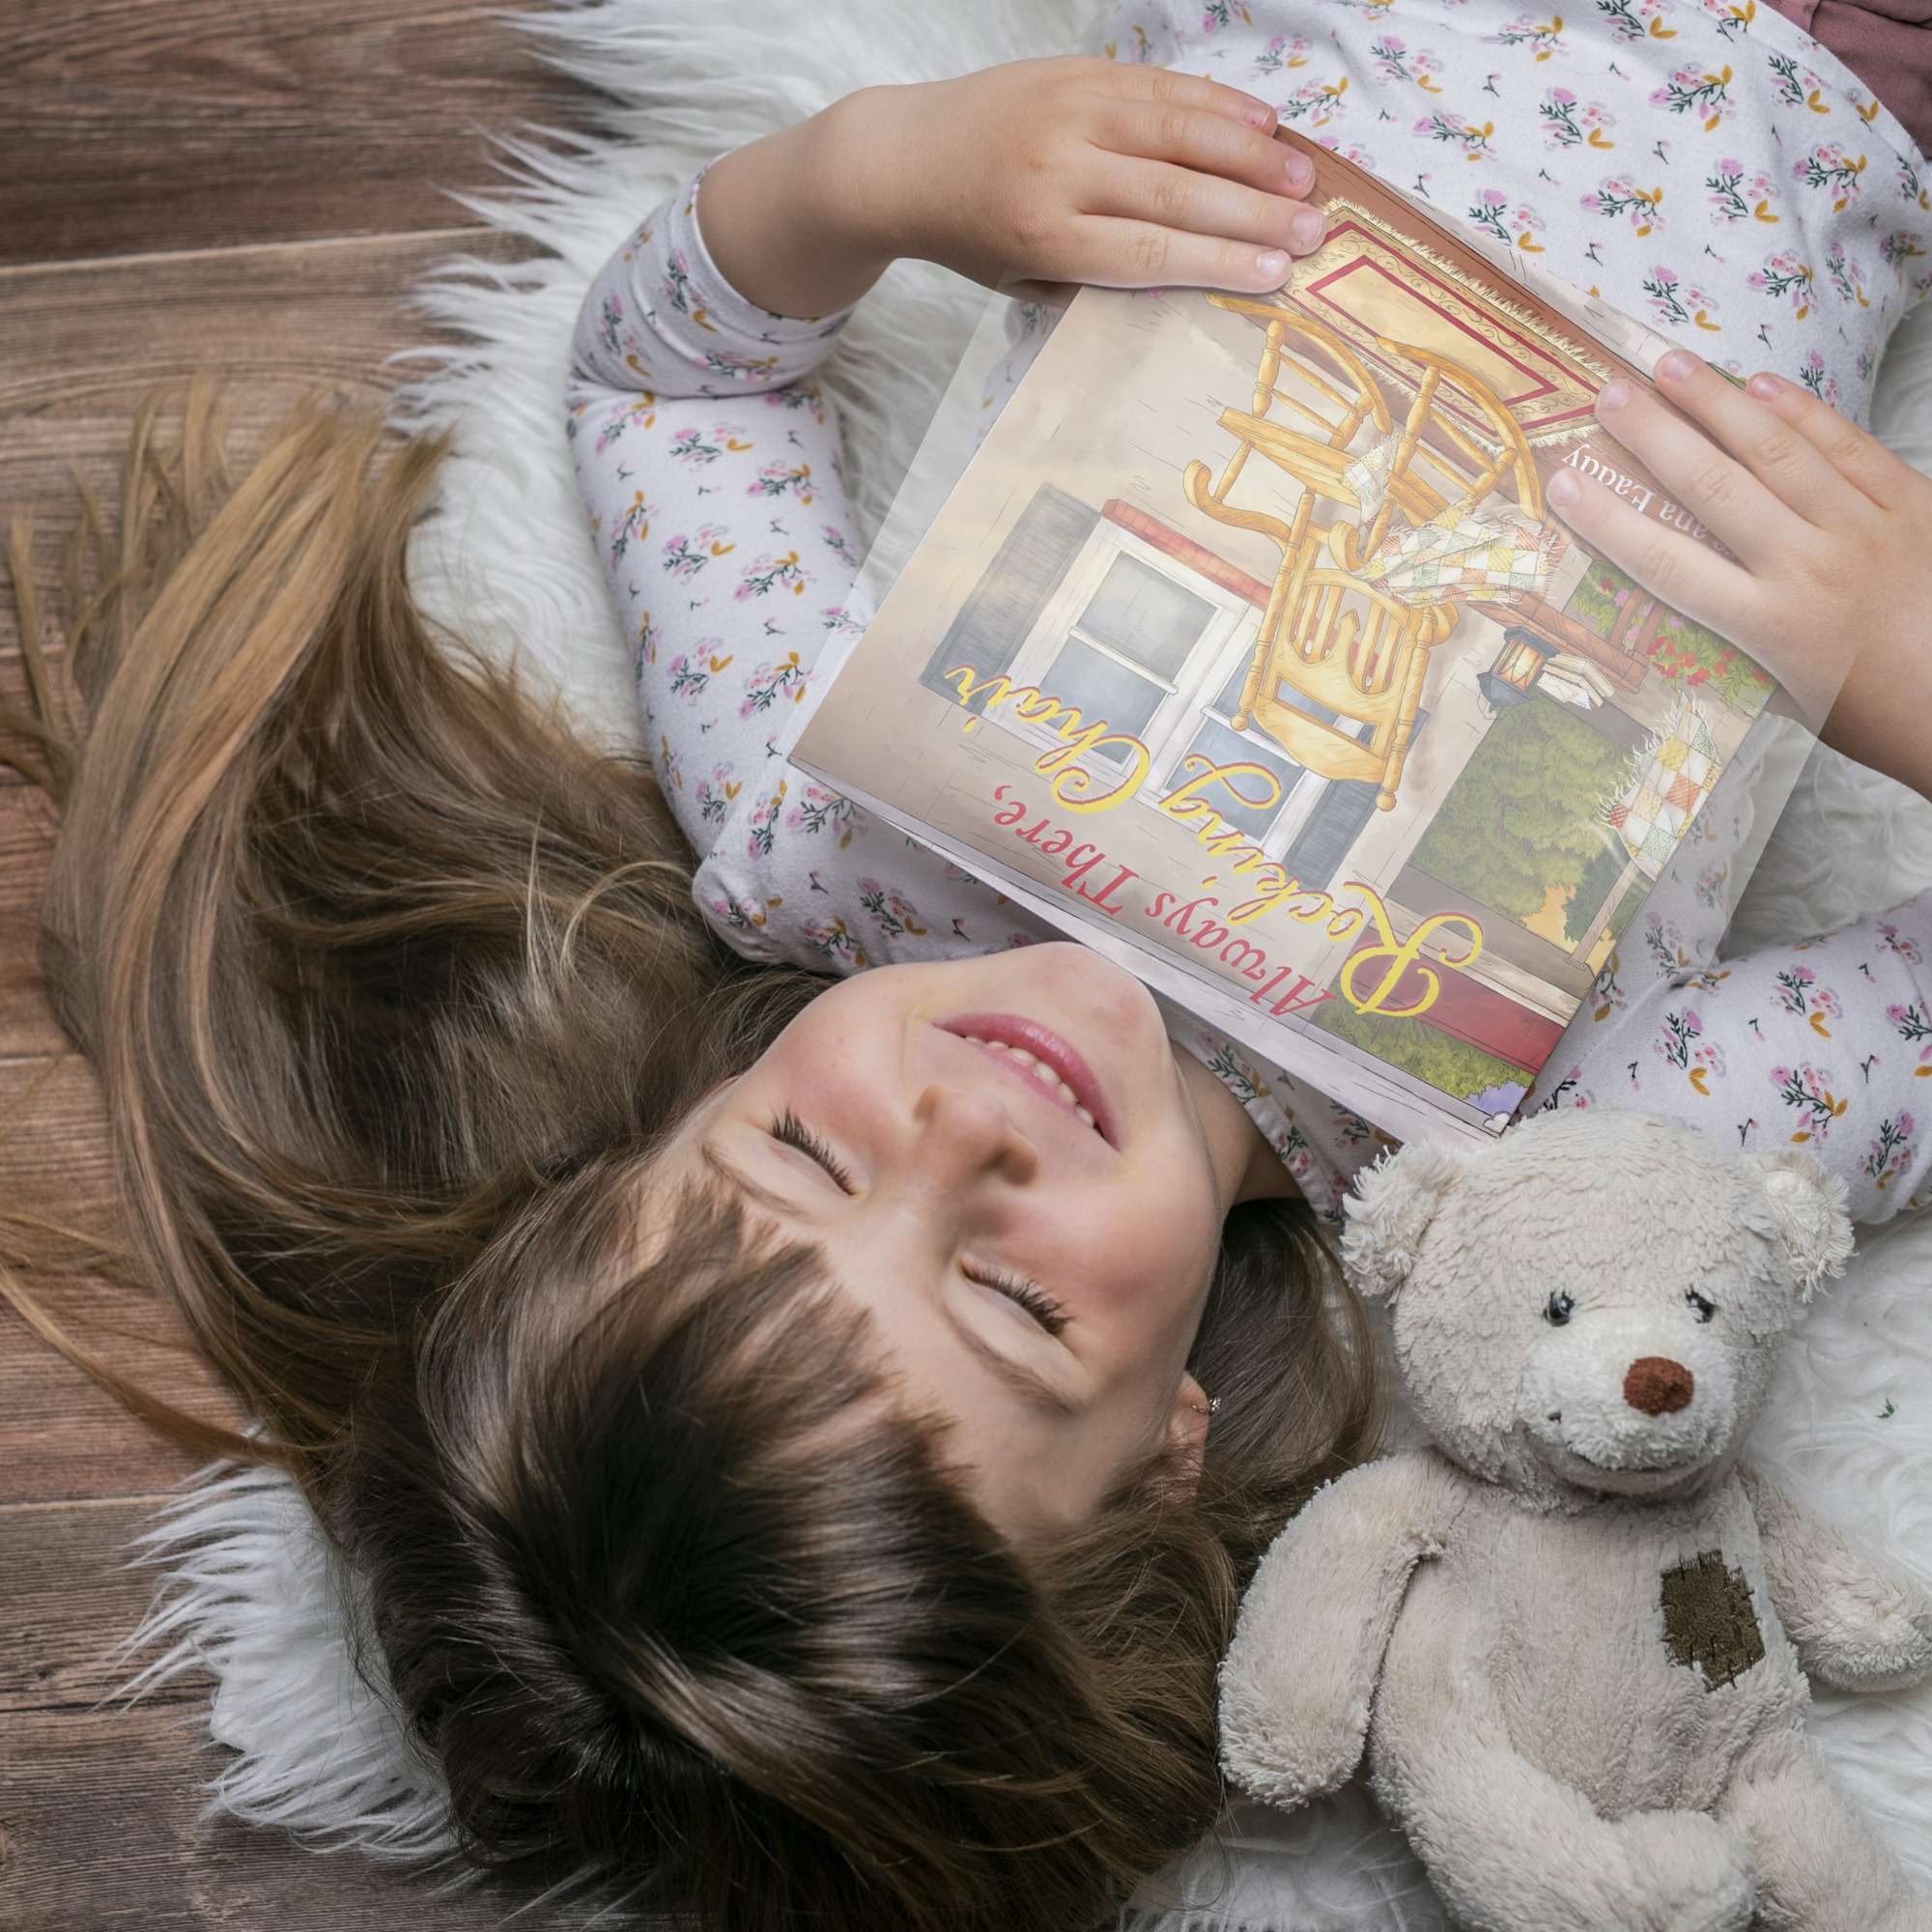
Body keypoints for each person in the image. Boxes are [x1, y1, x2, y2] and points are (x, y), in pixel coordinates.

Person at [1, 16, 1927, 1932]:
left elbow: (668, 386)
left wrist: (878, 175)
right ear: (1167, 1449)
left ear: (664, 1125)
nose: (962, 1133)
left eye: (800, 1164)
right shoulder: (1545, 1175)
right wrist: (1893, 654)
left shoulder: (815, 822)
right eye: (1008, 1302)